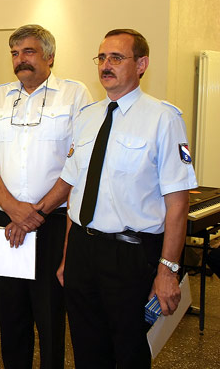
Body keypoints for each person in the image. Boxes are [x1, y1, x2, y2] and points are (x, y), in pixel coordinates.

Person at [51, 29, 197, 367]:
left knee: (129, 352)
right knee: (86, 350)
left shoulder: (163, 119)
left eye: (116, 58)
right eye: (102, 57)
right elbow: (78, 194)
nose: (106, 65)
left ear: (141, 64)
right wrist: (68, 256)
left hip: (131, 254)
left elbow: (178, 203)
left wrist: (168, 270)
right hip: (83, 250)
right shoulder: (87, 117)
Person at [0, 24, 92, 369]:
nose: (20, 59)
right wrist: (15, 211)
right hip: (3, 222)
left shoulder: (75, 94)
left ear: (50, 57)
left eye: (28, 51)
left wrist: (35, 213)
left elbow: (77, 164)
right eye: (14, 53)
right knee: (9, 317)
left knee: (50, 317)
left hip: (52, 222)